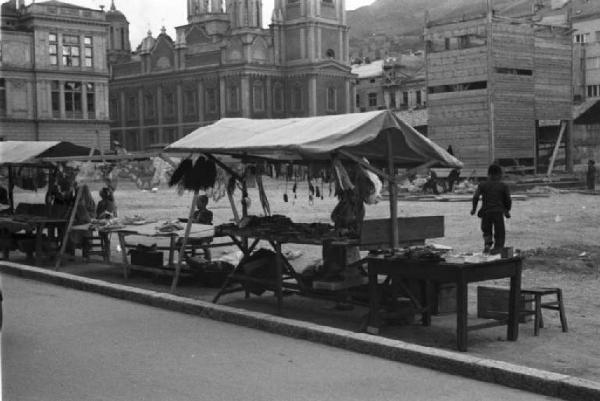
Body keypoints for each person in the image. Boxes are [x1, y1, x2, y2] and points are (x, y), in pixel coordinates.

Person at [471, 164, 512, 254]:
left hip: (485, 212)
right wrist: (507, 210)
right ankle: (498, 249)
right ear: (499, 174)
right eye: (501, 174)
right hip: (498, 212)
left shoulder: (482, 185)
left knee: (486, 230)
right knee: (500, 232)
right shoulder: (503, 186)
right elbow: (508, 199)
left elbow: (475, 197)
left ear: (488, 174)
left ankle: (487, 245)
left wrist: (474, 209)